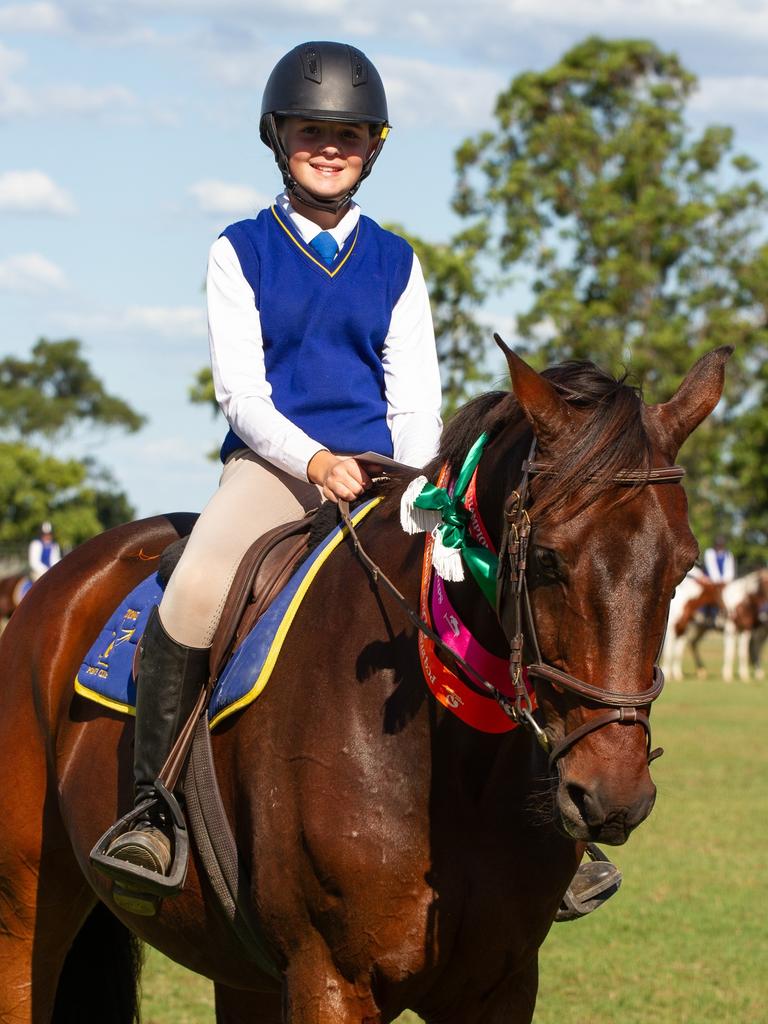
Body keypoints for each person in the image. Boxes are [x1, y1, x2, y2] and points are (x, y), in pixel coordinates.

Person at [94, 40, 619, 922]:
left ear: (373, 146)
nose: (328, 147)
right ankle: (155, 809)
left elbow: (416, 395)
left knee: (499, 599)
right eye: (311, 131)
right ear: (278, 138)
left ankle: (548, 832)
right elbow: (242, 392)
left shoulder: (396, 261)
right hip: (274, 469)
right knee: (192, 593)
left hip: (387, 477)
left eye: (347, 134)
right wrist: (311, 460)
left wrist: (419, 482)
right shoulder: (239, 250)